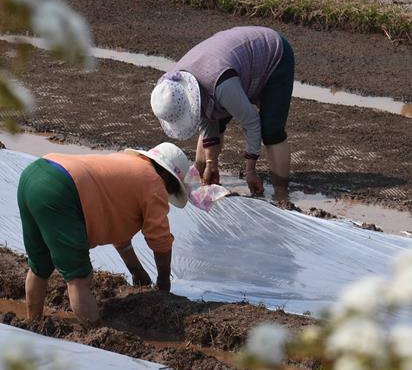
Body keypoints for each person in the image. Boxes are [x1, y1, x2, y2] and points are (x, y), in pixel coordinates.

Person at [17, 142, 189, 324]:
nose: (166, 194)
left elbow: (119, 229)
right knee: (79, 278)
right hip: (60, 188)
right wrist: (163, 283)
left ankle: (32, 323)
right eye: (170, 188)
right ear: (166, 176)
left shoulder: (127, 164)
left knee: (39, 267)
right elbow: (160, 239)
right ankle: (94, 339)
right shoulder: (153, 181)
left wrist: (136, 270)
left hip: (33, 174)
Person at [150, 26, 295, 200]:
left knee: (271, 130)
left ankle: (281, 195)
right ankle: (202, 172)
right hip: (228, 66)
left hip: (272, 54)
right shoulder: (177, 86)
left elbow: (251, 121)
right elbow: (205, 116)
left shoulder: (221, 85)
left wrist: (250, 170)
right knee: (214, 119)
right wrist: (211, 163)